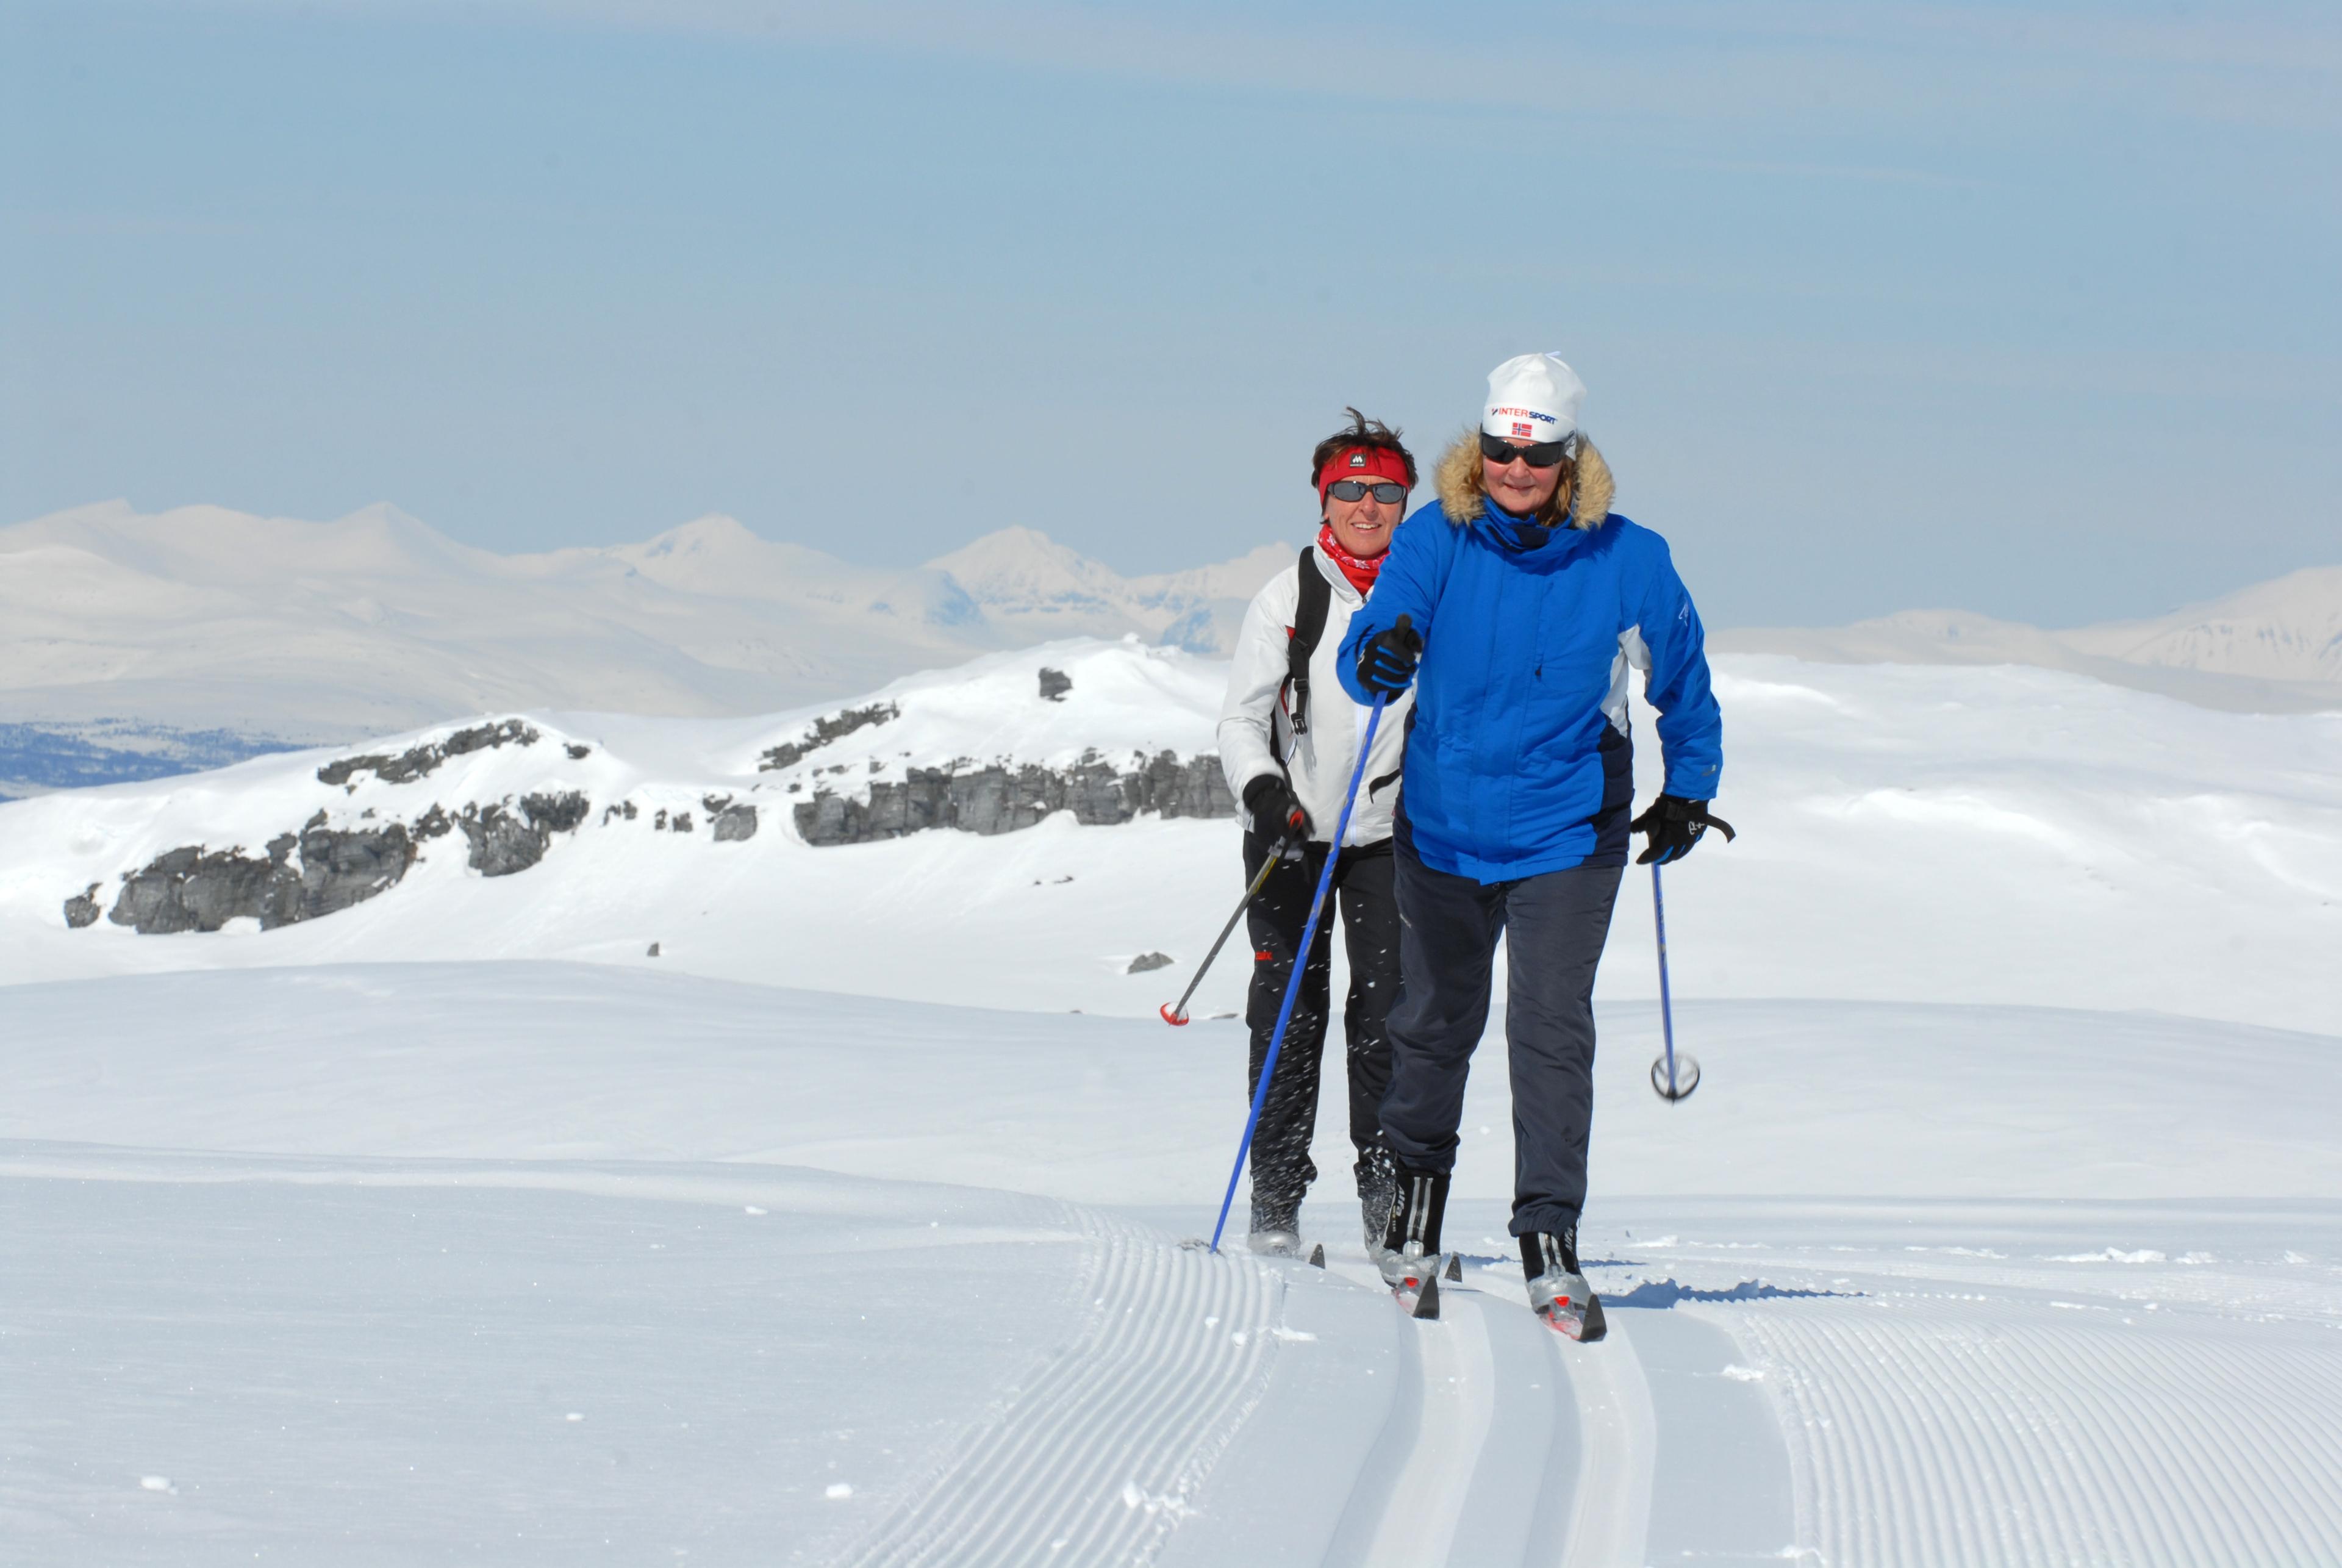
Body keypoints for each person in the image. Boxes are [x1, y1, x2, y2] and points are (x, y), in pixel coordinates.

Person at [1336, 354, 1730, 1338]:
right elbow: (1376, 639)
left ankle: (1548, 1239)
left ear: (1570, 456)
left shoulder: (1628, 557)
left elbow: (1682, 675)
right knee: (1434, 1022)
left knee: (1551, 1033)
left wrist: (1688, 789)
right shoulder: (1437, 537)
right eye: (1504, 450)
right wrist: (1376, 655)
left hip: (1567, 827)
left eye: (1538, 454)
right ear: (1483, 448)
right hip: (1445, 820)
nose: (1517, 470)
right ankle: (1411, 1216)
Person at [1216, 409, 1418, 1256]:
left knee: (1387, 1020)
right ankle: (1275, 1201)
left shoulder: (1427, 591)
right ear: (1323, 499)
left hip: (1388, 841)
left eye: (1384, 492)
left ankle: (1385, 1198)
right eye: (1349, 491)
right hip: (1291, 839)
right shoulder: (1289, 595)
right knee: (1288, 1015)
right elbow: (1240, 719)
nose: (1366, 507)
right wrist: (1266, 796)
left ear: (1406, 501)